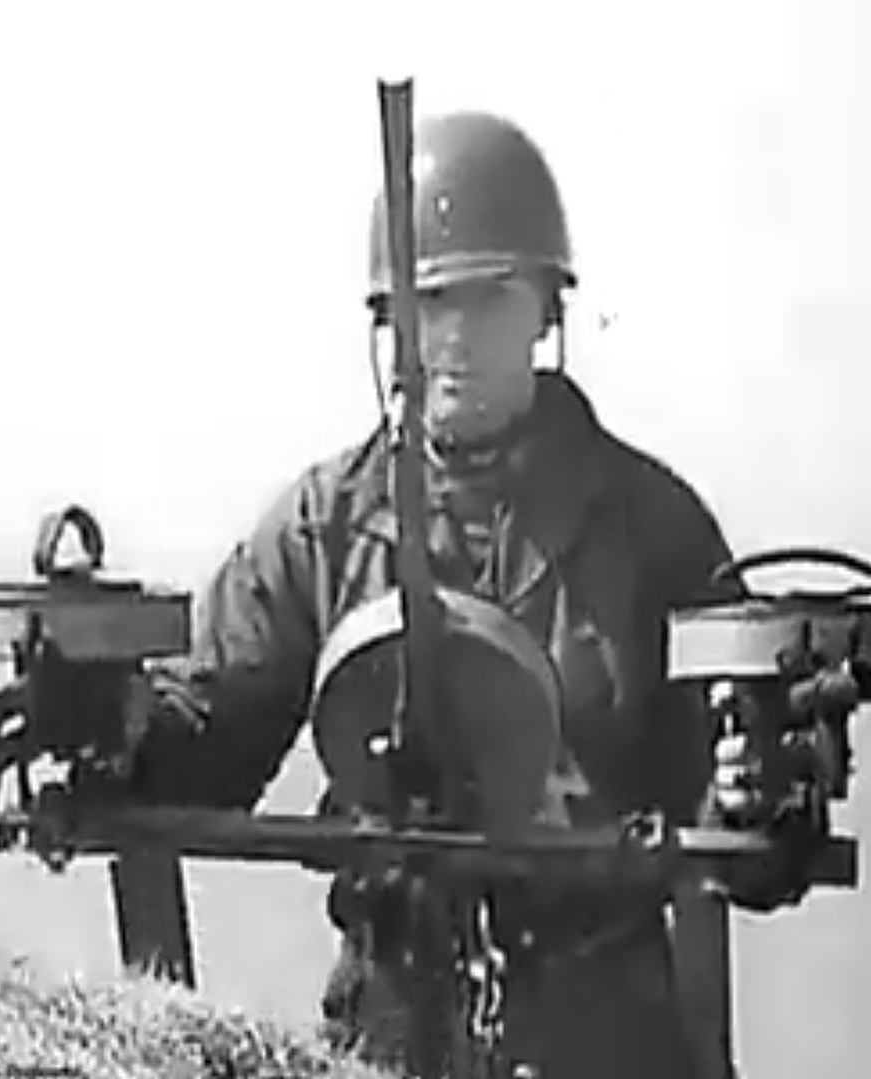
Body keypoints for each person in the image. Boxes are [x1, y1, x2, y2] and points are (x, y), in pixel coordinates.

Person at [124, 110, 825, 1079]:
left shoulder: (652, 525)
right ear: (389, 321)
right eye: (428, 302)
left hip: (605, 1027)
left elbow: (734, 794)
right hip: (386, 1021)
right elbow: (208, 733)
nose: (452, 335)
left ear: (545, 309)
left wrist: (758, 794)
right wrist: (114, 724)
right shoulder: (327, 524)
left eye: (487, 297)